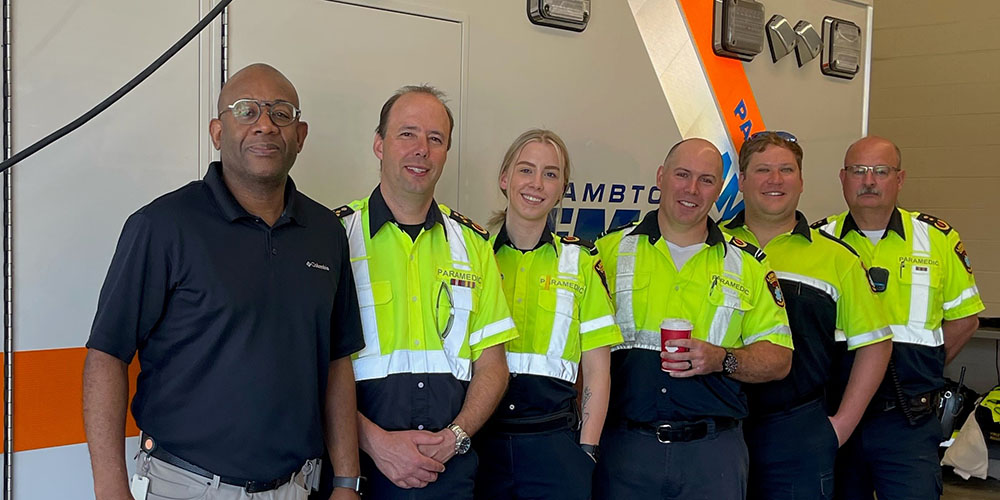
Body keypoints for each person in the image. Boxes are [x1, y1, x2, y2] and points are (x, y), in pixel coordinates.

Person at [83, 63, 365, 500]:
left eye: (281, 113)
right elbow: (107, 355)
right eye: (246, 111)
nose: (265, 125)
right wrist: (110, 488)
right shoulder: (162, 226)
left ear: (300, 135)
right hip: (182, 486)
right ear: (218, 132)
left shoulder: (326, 232)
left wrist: (347, 481)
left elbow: (337, 360)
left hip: (295, 487)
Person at [337, 85, 517, 499]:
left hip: (448, 473)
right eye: (407, 134)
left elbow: (492, 364)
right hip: (358, 472)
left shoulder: (473, 245)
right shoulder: (334, 238)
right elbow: (313, 365)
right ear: (379, 145)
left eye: (435, 139)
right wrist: (374, 442)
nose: (422, 149)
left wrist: (456, 436)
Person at [592, 137, 793, 500]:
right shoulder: (608, 253)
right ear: (661, 176)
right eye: (683, 174)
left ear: (719, 188)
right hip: (625, 450)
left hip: (712, 455)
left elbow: (779, 359)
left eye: (706, 179)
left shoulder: (747, 263)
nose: (692, 189)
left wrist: (723, 359)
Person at [722, 131, 893, 500]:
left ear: (801, 182)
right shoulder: (713, 247)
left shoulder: (837, 259)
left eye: (786, 169)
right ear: (741, 181)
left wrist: (840, 427)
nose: (775, 180)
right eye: (763, 169)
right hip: (717, 428)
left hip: (796, 430)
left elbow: (876, 345)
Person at [812, 136, 985, 500]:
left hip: (908, 420)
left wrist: (923, 371)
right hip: (836, 416)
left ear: (900, 179)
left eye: (881, 171)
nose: (869, 181)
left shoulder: (936, 238)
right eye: (858, 171)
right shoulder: (816, 241)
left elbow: (965, 320)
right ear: (842, 178)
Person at [472, 129, 622, 500]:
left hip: (554, 447)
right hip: (480, 443)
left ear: (562, 189)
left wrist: (586, 452)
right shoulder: (473, 257)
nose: (536, 184)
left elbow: (599, 373)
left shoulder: (581, 262)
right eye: (526, 170)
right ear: (505, 179)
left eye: (550, 174)